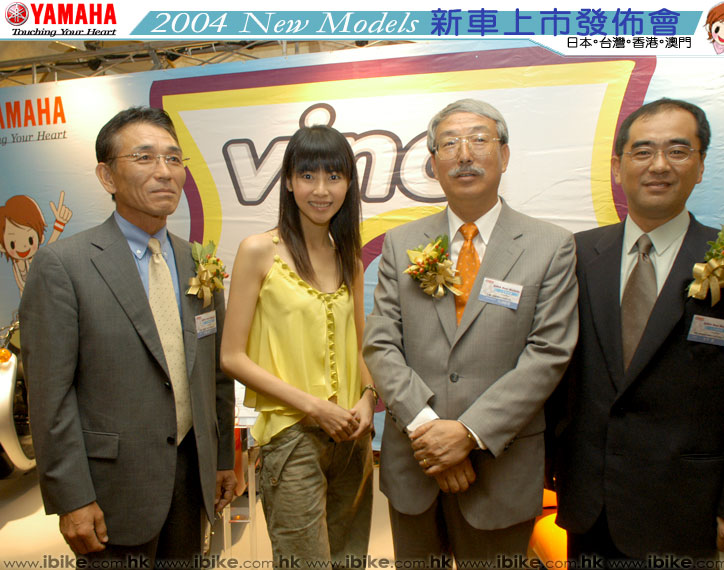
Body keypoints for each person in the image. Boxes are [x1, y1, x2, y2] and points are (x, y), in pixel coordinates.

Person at [362, 99, 579, 565]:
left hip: (500, 470)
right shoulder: (401, 243)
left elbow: (548, 353)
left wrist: (468, 433)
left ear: (504, 155)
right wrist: (428, 430)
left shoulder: (551, 245)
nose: (464, 154)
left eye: (479, 140)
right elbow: (381, 343)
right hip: (415, 466)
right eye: (449, 143)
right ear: (433, 162)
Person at [20, 107, 236, 566]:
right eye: (144, 157)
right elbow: (50, 397)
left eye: (174, 159)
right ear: (107, 176)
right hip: (112, 489)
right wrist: (71, 497)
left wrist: (221, 461)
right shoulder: (64, 265)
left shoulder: (198, 262)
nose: (164, 172)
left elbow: (214, 374)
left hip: (190, 478)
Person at [552, 98, 724, 565]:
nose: (659, 165)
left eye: (678, 151)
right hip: (590, 504)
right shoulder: (576, 255)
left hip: (690, 507)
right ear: (617, 167)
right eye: (643, 151)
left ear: (701, 165)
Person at [220, 125, 375, 567]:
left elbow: (362, 346)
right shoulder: (258, 251)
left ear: (349, 184)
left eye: (334, 176)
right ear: (288, 181)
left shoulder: (349, 258)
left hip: (352, 436)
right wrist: (313, 406)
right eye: (308, 176)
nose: (321, 190)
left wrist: (368, 398)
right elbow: (231, 356)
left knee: (350, 559)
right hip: (291, 436)